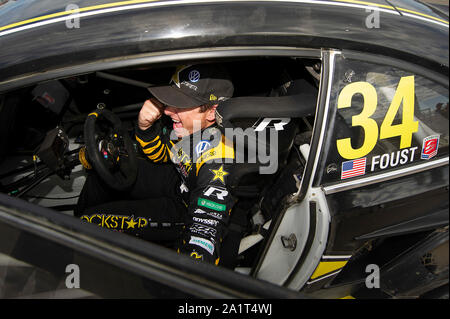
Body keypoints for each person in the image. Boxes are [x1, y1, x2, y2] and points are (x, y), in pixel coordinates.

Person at [75, 64, 236, 265]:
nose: (167, 110)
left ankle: (75, 251)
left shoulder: (218, 159)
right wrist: (145, 128)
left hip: (184, 209)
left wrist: (188, 272)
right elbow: (162, 155)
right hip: (175, 181)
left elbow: (205, 230)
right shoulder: (191, 127)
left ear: (212, 112)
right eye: (170, 101)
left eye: (180, 104)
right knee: (103, 174)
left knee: (90, 222)